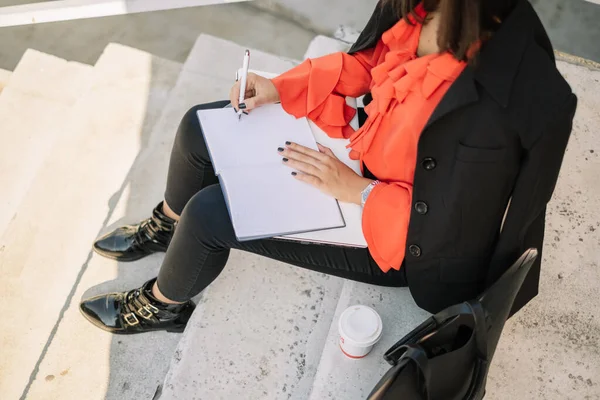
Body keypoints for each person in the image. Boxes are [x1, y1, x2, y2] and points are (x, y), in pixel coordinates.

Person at [80, 0, 577, 334]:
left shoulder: (491, 111)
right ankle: (167, 224)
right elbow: (366, 66)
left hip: (397, 228)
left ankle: (165, 306)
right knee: (200, 126)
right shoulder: (417, 8)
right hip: (360, 148)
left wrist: (356, 190)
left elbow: (454, 225)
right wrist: (281, 88)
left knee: (212, 214)